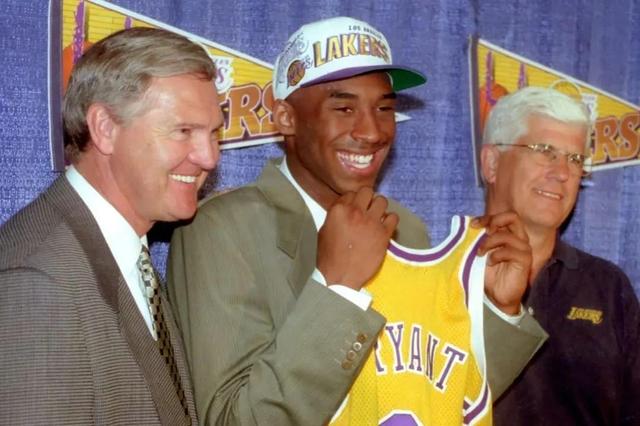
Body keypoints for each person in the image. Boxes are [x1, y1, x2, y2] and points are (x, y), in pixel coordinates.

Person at [168, 17, 545, 425]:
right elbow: (232, 419)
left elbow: (443, 397)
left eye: (384, 108)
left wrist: (499, 309)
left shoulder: (404, 227)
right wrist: (338, 290)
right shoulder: (223, 230)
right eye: (344, 108)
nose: (371, 131)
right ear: (286, 118)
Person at [0, 27, 223, 425]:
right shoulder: (37, 282)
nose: (208, 157)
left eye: (214, 134)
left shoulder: (125, 254)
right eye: (183, 131)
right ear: (104, 128)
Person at [481, 86, 640, 425]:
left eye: (575, 159)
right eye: (544, 151)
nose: (563, 173)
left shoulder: (609, 288)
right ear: (492, 163)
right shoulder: (441, 274)